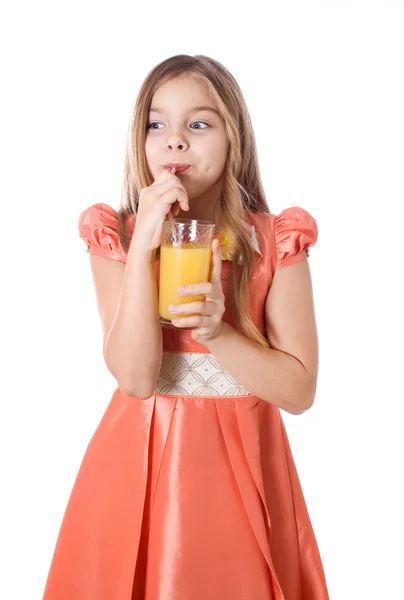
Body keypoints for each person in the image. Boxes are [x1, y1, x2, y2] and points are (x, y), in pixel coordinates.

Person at [42, 54, 329, 600]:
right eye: (157, 124)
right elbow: (135, 377)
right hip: (135, 469)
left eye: (198, 124)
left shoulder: (273, 242)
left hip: (240, 468)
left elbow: (299, 391)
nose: (175, 141)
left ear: (233, 136)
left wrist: (220, 332)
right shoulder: (117, 237)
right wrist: (144, 245)